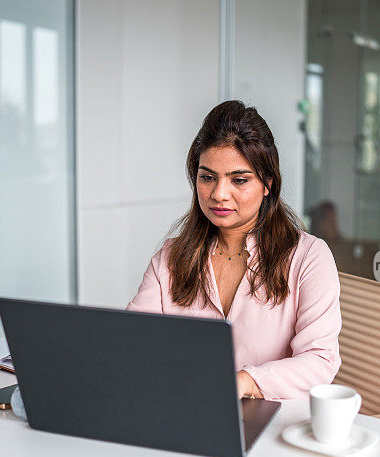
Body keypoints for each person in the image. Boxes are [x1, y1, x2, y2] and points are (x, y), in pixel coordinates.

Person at [127, 101, 342, 400]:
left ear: (268, 183)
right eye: (207, 177)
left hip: (273, 424)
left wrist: (244, 381)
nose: (219, 194)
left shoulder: (309, 257)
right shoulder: (171, 257)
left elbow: (320, 360)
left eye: (239, 180)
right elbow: (132, 342)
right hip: (184, 411)